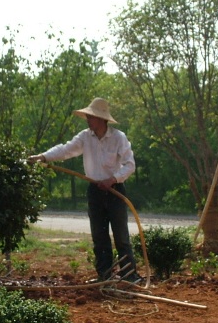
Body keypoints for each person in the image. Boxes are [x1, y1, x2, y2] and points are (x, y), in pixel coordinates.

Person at [28, 98, 142, 283]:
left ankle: (129, 277)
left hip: (115, 191)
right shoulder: (85, 137)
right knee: (99, 236)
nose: (88, 120)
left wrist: (112, 179)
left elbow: (130, 165)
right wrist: (43, 157)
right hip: (95, 191)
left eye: (91, 117)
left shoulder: (118, 138)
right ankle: (104, 276)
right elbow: (65, 150)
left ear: (101, 119)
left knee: (121, 236)